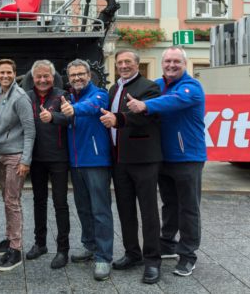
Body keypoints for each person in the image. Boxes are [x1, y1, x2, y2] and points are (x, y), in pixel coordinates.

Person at [126, 46, 207, 277]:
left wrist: (145, 105)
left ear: (185, 64)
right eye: (168, 61)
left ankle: (188, 254)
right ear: (162, 64)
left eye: (176, 62)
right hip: (162, 156)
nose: (171, 65)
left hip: (187, 157)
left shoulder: (191, 87)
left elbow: (171, 102)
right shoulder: (157, 85)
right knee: (169, 204)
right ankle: (168, 244)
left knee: (189, 207)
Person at [99, 49, 162, 284]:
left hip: (144, 159)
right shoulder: (114, 88)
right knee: (125, 210)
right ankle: (132, 253)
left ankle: (153, 261)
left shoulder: (149, 87)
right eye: (119, 62)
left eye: (127, 62)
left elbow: (148, 116)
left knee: (148, 212)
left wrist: (120, 119)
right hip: (120, 160)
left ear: (137, 64)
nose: (123, 65)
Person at [60, 59, 113, 281]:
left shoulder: (99, 94)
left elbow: (92, 108)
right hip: (76, 162)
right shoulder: (70, 96)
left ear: (89, 75)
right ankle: (90, 245)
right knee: (83, 208)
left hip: (96, 161)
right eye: (73, 75)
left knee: (100, 211)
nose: (77, 78)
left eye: (81, 74)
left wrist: (72, 109)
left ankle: (103, 256)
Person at [0, 58, 36, 272]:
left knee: (12, 201)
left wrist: (26, 160)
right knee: (7, 199)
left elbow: (30, 130)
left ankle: (16, 249)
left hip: (16, 156)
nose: (5, 76)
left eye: (9, 72)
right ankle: (9, 239)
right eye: (2, 72)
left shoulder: (20, 97)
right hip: (1, 155)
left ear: (15, 73)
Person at [25, 60, 70, 269]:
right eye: (39, 77)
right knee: (38, 201)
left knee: (60, 203)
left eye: (46, 76)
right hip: (37, 158)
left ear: (53, 77)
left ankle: (63, 250)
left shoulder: (62, 95)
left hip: (58, 157)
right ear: (33, 78)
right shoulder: (28, 96)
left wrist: (53, 117)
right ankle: (40, 243)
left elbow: (69, 118)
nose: (42, 80)